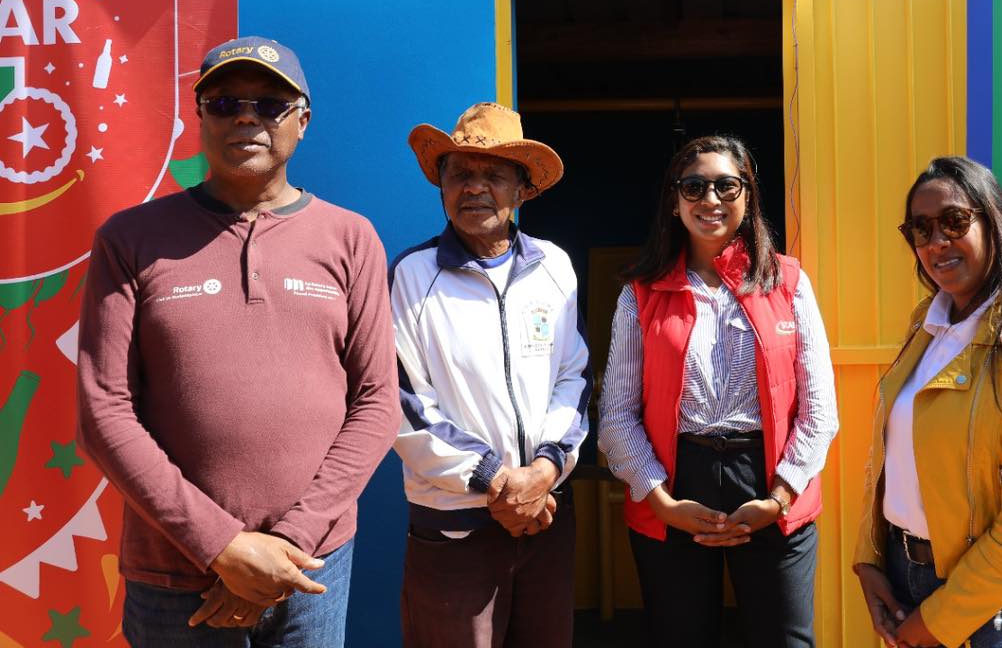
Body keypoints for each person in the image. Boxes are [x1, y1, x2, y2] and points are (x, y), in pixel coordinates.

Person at [77, 36, 400, 645]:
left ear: (303, 120)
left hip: (310, 570)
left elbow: (379, 402)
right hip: (175, 576)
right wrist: (221, 546)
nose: (247, 116)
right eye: (225, 102)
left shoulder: (350, 238)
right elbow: (103, 412)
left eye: (270, 104)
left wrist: (286, 547)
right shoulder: (131, 239)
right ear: (199, 117)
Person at [598, 135, 839, 648]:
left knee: (785, 641)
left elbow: (820, 411)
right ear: (674, 200)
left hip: (772, 482)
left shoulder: (789, 282)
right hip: (675, 482)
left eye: (727, 186)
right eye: (694, 187)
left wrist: (778, 498)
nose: (710, 200)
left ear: (748, 196)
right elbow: (617, 415)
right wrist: (664, 504)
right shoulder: (639, 293)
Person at [851, 156, 1002, 648]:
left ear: (993, 222)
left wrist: (943, 615)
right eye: (920, 229)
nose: (936, 242)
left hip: (997, 599)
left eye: (954, 222)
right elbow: (890, 456)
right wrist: (870, 559)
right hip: (903, 575)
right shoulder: (926, 322)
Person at [390, 101, 590, 648]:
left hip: (544, 517)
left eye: (494, 175)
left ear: (522, 189)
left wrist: (545, 470)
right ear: (442, 186)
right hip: (456, 528)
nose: (474, 188)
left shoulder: (554, 267)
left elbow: (572, 378)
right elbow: (403, 404)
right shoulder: (414, 275)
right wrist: (497, 481)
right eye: (460, 174)